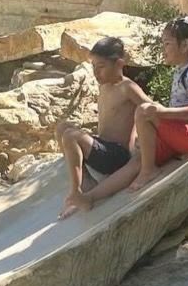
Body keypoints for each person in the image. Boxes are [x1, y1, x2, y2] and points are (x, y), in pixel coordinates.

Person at [66, 16, 188, 211]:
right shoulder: (182, 70)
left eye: (167, 43)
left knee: (145, 111)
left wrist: (162, 113)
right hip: (185, 132)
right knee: (138, 159)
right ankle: (90, 197)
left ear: (185, 45)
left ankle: (149, 171)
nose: (163, 49)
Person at [57, 36, 151, 219]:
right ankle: (87, 183)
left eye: (101, 67)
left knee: (70, 136)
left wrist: (145, 139)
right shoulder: (105, 87)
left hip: (118, 154)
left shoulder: (128, 87)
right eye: (93, 67)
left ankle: (77, 194)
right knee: (62, 128)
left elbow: (150, 108)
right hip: (103, 148)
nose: (96, 73)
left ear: (119, 64)